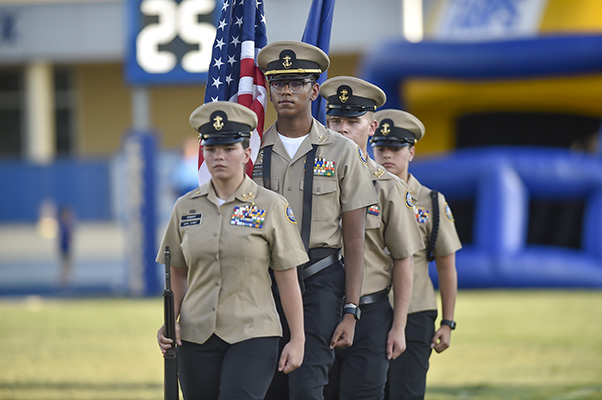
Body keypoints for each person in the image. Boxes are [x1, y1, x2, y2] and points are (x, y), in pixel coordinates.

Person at [156, 101, 308, 400]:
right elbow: (177, 272)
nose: (219, 156)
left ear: (247, 152)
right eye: (211, 149)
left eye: (228, 148)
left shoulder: (271, 206)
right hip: (195, 334)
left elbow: (287, 277)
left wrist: (298, 338)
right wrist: (169, 323)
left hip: (253, 333)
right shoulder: (185, 207)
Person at [254, 41, 378, 400]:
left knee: (308, 385)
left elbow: (355, 240)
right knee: (270, 386)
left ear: (314, 91)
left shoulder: (342, 151)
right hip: (263, 285)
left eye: (297, 83)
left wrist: (351, 309)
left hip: (320, 281)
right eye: (278, 83)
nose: (287, 91)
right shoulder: (252, 152)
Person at [320, 76, 424, 400]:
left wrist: (399, 325)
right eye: (335, 120)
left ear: (372, 126)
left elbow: (402, 259)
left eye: (353, 121)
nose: (343, 129)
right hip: (316, 310)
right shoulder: (306, 182)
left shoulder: (390, 188)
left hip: (371, 314)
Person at [371, 109, 462, 400]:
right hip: (368, 310)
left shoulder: (431, 202)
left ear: (411, 152)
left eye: (395, 149)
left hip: (414, 313)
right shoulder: (356, 193)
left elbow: (447, 266)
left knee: (405, 392)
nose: (387, 156)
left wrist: (447, 322)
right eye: (381, 148)